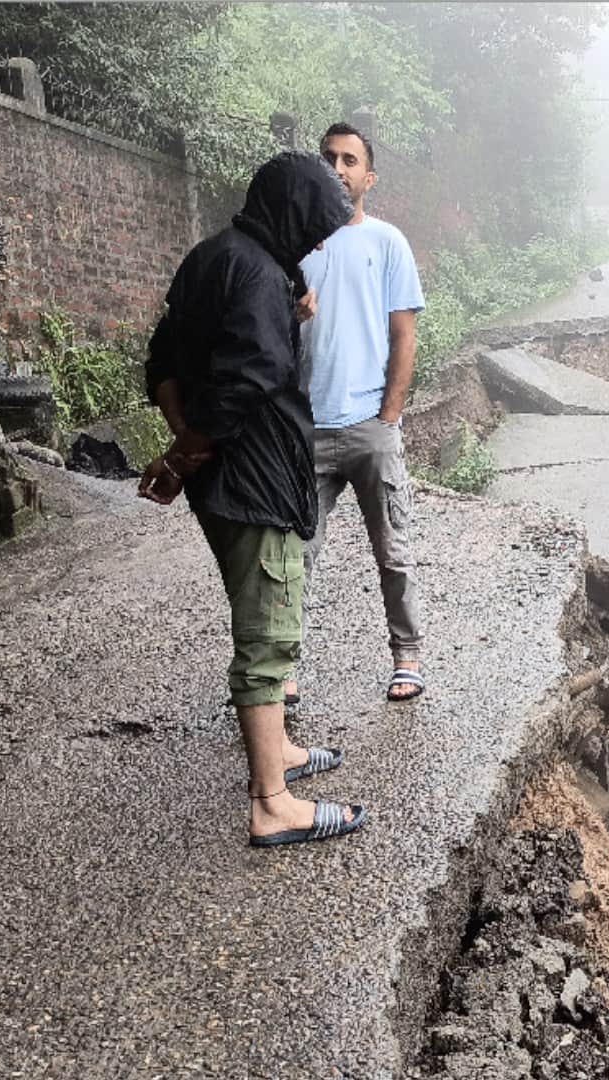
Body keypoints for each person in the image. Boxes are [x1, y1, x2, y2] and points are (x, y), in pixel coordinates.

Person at [138, 150, 365, 848]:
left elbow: (163, 363)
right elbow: (246, 380)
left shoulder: (212, 256)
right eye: (316, 222)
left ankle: (282, 754)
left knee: (265, 612)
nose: (321, 239)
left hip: (222, 483)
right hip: (254, 483)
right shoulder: (262, 275)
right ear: (290, 210)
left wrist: (187, 450)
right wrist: (183, 456)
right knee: (268, 633)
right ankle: (272, 801)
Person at [295, 121, 429, 705]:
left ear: (367, 177)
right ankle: (282, 669)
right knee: (292, 554)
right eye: (329, 157)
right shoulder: (295, 244)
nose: (338, 167)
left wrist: (388, 415)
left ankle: (407, 655)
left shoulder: (387, 242)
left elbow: (405, 336)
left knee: (393, 551)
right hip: (307, 427)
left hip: (369, 425)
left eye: (350, 160)